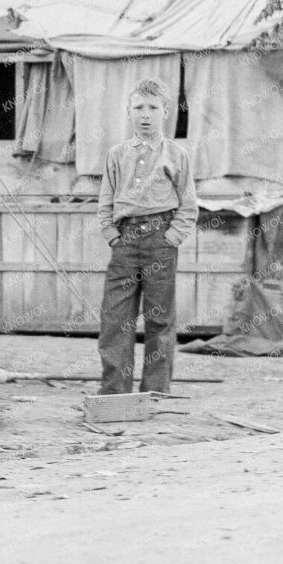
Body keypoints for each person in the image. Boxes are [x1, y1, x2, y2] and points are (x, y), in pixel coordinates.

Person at [95, 77, 198, 396]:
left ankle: (155, 391)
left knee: (159, 320)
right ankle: (115, 392)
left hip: (160, 242)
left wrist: (172, 237)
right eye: (138, 107)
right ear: (129, 112)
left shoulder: (176, 154)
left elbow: (189, 204)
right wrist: (112, 235)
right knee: (115, 320)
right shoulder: (117, 154)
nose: (145, 114)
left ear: (165, 111)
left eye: (153, 108)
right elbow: (106, 200)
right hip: (125, 243)